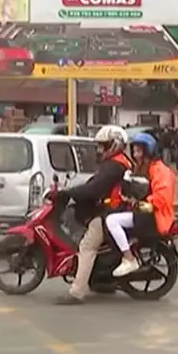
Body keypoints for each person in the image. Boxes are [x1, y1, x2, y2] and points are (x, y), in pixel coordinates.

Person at [53, 125, 133, 305]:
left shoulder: (114, 166)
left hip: (110, 212)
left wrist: (69, 193)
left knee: (87, 246)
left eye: (103, 146)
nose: (99, 150)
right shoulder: (118, 162)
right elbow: (93, 184)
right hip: (114, 209)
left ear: (114, 145)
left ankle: (76, 292)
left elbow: (94, 189)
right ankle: (100, 279)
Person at [105, 132, 177, 277]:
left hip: (156, 216)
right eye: (134, 152)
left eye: (139, 152)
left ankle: (129, 258)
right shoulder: (144, 168)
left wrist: (143, 202)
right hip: (146, 212)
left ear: (148, 152)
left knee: (112, 221)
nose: (136, 155)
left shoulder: (160, 171)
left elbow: (162, 197)